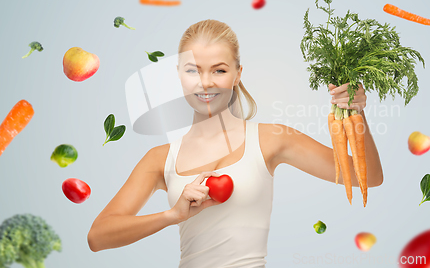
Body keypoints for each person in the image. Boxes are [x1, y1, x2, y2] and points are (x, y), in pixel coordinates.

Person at [87, 19, 383, 267]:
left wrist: (356, 113)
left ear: (237, 74)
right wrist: (171, 215)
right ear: (179, 75)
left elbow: (367, 176)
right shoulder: (159, 158)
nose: (205, 82)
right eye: (193, 70)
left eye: (219, 70)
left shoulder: (270, 139)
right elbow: (98, 236)